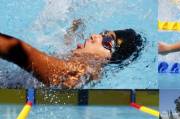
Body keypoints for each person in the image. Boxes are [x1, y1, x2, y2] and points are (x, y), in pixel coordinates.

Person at [0, 20, 144, 88]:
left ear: (108, 58)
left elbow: (16, 50)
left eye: (107, 40)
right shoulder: (81, 66)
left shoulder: (75, 72)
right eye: (103, 33)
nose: (95, 36)